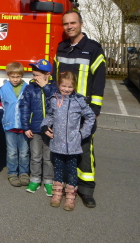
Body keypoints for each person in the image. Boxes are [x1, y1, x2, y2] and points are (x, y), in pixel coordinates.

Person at [53, 10, 106, 208]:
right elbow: (56, 79)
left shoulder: (93, 49)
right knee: (62, 150)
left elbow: (99, 82)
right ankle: (67, 187)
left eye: (73, 23)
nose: (69, 27)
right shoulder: (61, 48)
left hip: (83, 112)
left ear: (81, 24)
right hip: (62, 110)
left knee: (84, 149)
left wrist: (94, 110)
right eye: (66, 24)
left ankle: (86, 190)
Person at [41, 71, 96, 211]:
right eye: (63, 86)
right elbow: (50, 115)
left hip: (73, 143)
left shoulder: (79, 101)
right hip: (57, 142)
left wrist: (82, 133)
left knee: (72, 170)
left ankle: (70, 196)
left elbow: (90, 117)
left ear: (74, 87)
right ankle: (57, 193)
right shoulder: (54, 99)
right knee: (58, 168)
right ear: (58, 85)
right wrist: (44, 125)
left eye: (70, 87)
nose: (66, 89)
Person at [19, 59, 57, 196]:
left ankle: (48, 180)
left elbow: (56, 101)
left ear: (47, 74)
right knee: (35, 156)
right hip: (34, 128)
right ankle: (35, 179)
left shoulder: (54, 87)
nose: (34, 78)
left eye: (37, 75)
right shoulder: (30, 88)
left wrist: (45, 87)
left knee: (48, 157)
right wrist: (26, 127)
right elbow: (24, 108)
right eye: (33, 75)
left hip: (50, 129)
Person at [0, 62, 30, 187]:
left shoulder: (27, 88)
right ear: (8, 76)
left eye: (18, 76)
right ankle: (12, 173)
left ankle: (24, 173)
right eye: (12, 77)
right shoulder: (3, 90)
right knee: (11, 151)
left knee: (24, 151)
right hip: (10, 125)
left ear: (21, 76)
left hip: (24, 126)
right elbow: (0, 107)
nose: (15, 79)